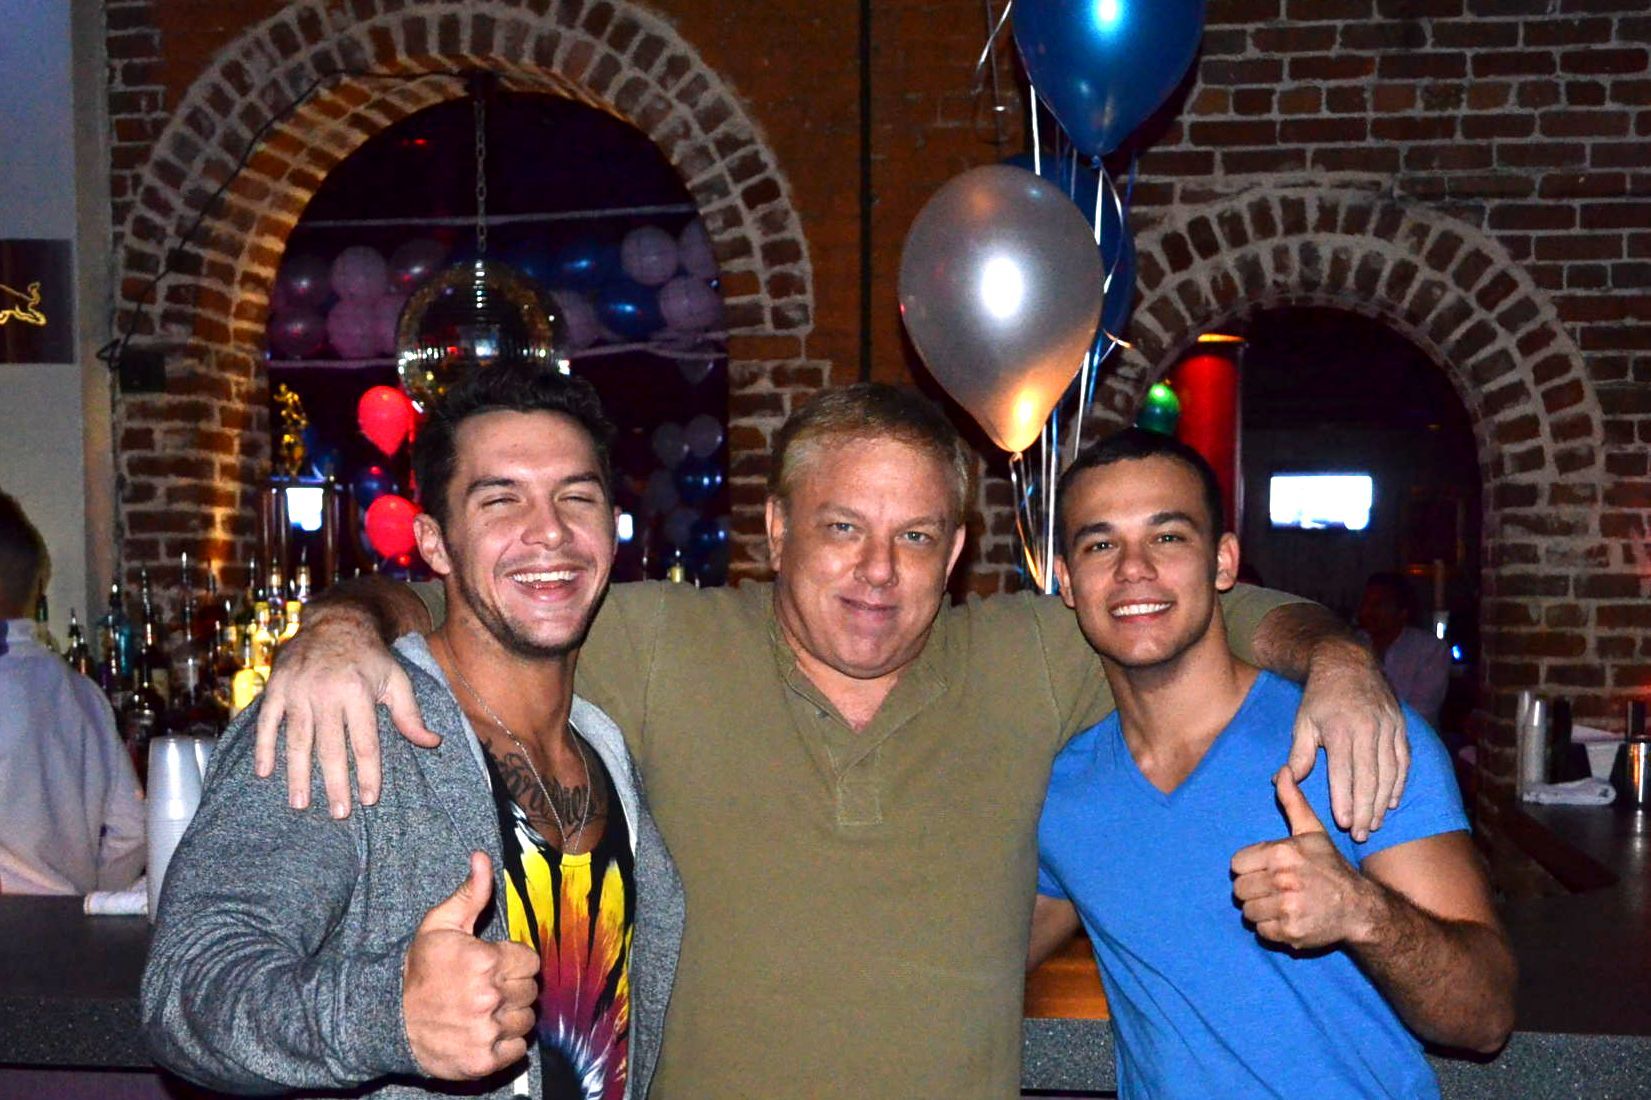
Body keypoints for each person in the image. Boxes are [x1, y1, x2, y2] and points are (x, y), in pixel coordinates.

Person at [259, 384, 1410, 1099]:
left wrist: (1339, 656)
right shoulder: (657, 640)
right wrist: (341, 627)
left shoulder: (1026, 653)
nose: (876, 571)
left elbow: (1199, 603)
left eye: (913, 535)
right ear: (775, 530)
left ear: (954, 552)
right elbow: (469, 601)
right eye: (843, 527)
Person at [142, 365, 683, 1099]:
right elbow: (188, 990)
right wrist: (389, 1017)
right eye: (501, 500)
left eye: (576, 497)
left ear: (611, 530)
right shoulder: (345, 721)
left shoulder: (607, 750)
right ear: (434, 543)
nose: (549, 530)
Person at [1030, 429, 1514, 1097]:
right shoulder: (1066, 792)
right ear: (1066, 581)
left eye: (1167, 536)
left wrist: (1360, 912)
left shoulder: (1355, 734)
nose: (1133, 568)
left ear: (1223, 563)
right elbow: (981, 958)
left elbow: (1484, 1017)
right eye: (1100, 544)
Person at [0, 490, 144, 896]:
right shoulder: (84, 694)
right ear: (36, 587)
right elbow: (132, 830)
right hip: (68, 923)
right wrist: (89, 898)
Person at [1358, 570, 1452, 727]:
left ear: (1402, 612)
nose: (1368, 612)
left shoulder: (1429, 650)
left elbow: (1422, 711)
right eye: (1365, 604)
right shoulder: (1354, 644)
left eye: (1378, 605)